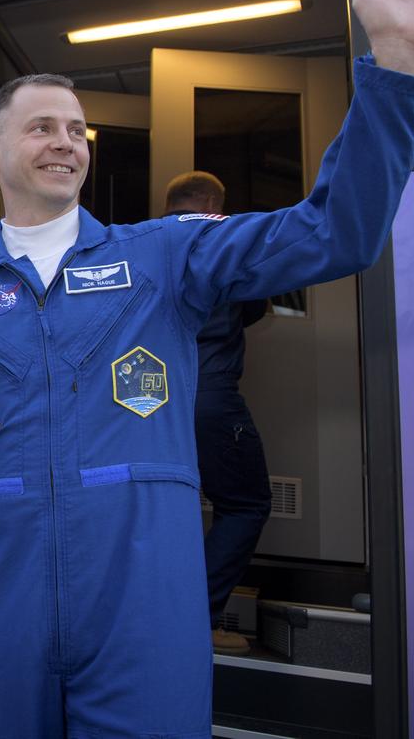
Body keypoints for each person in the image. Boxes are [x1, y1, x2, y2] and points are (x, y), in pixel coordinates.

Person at [0, 0, 414, 738]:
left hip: (143, 615)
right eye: (42, 127)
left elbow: (337, 233)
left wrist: (394, 67)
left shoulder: (163, 255)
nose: (66, 142)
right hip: (2, 623)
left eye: (79, 130)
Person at [164, 171, 272, 656]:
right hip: (207, 394)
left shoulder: (144, 246)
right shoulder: (225, 240)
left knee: (160, 506)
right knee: (247, 504)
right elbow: (252, 309)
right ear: (212, 202)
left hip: (146, 398)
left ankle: (147, 617)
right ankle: (194, 623)